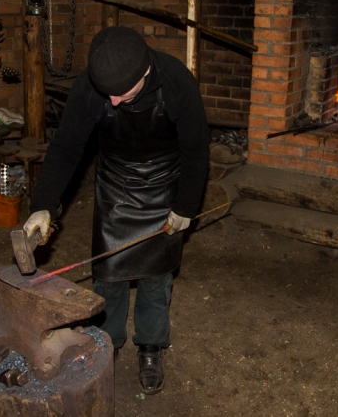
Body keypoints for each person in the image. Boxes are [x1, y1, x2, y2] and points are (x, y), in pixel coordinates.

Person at [23, 26, 210, 394]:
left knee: (157, 273)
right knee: (108, 272)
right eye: (107, 93)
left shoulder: (176, 82)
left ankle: (152, 345)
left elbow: (197, 149)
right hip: (116, 181)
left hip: (164, 180)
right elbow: (66, 149)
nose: (114, 101)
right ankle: (104, 345)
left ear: (145, 73)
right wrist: (43, 206)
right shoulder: (89, 89)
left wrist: (186, 204)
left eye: (122, 93)